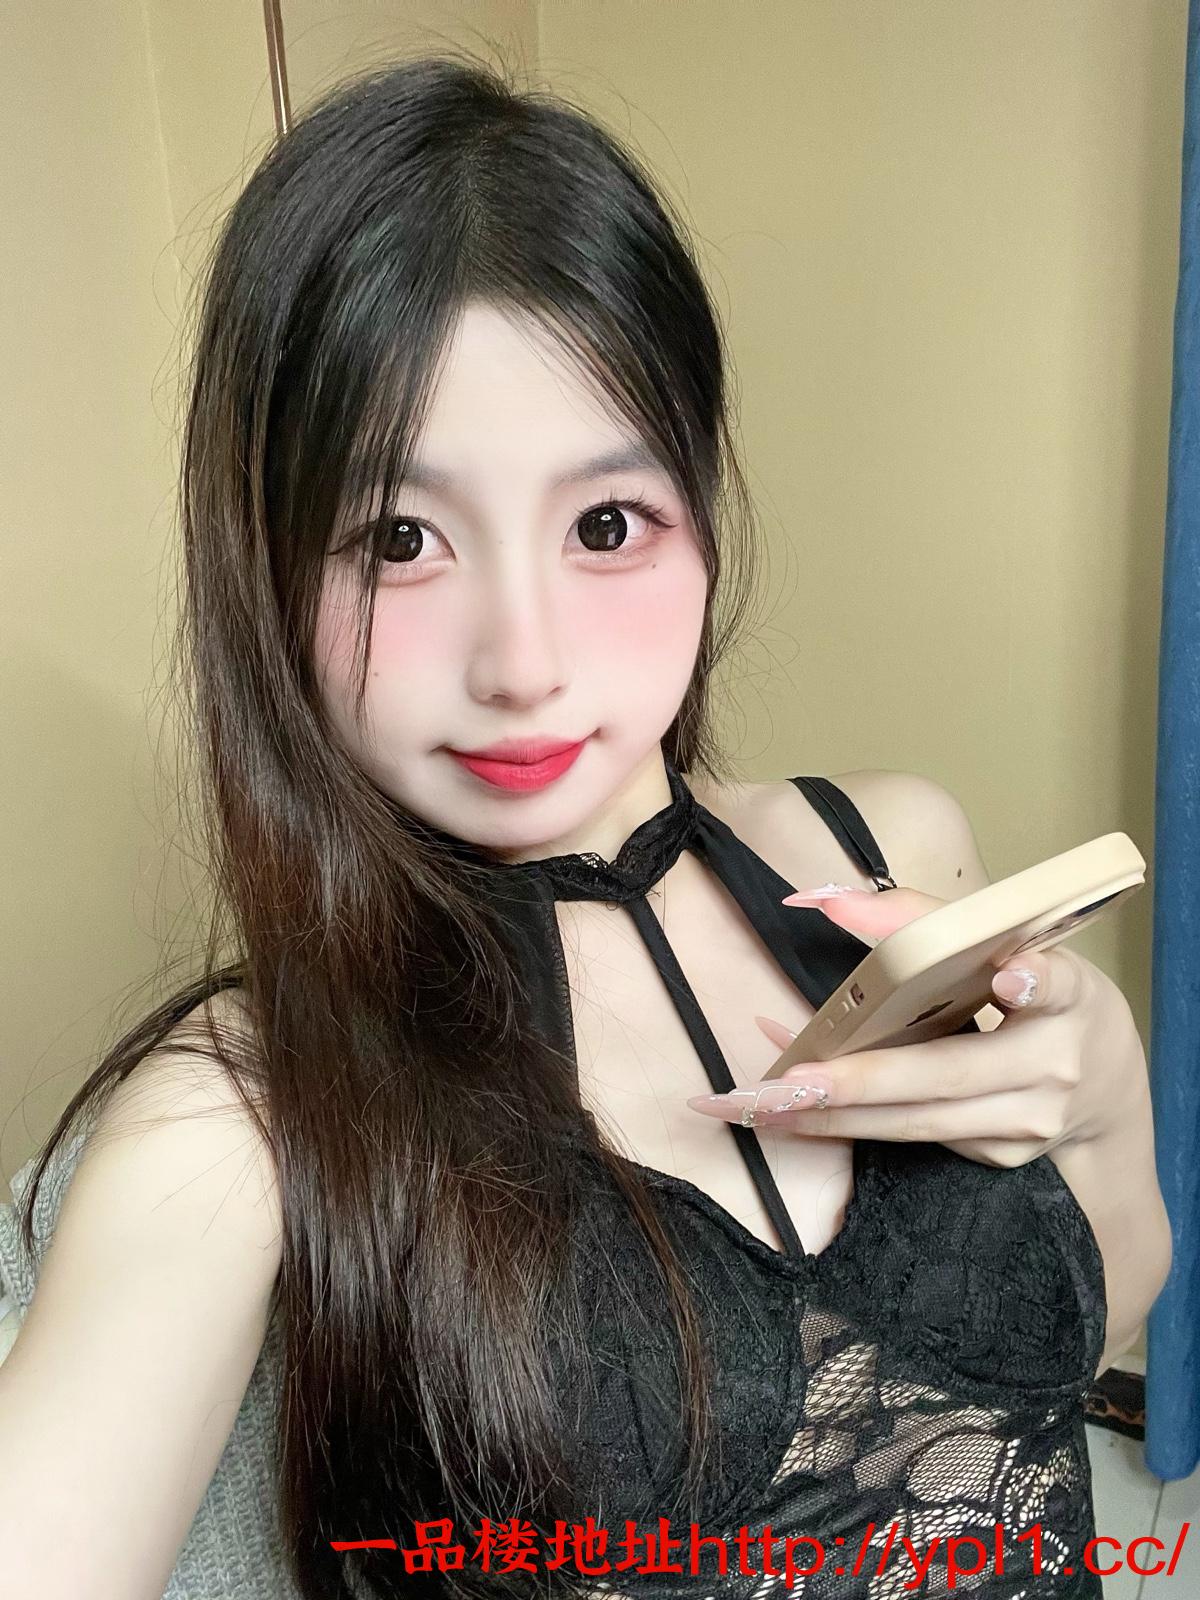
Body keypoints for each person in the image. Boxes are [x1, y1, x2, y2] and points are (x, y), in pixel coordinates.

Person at [0, 49, 1169, 1600]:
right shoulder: (238, 1111)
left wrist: (1101, 1108)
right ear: (267, 567)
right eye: (398, 539)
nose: (524, 662)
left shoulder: (886, 846)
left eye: (606, 525)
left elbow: (1072, 1341)